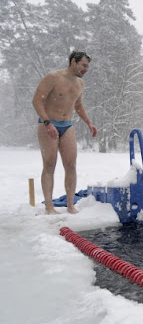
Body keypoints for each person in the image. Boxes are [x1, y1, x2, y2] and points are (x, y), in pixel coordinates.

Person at [32, 51, 97, 214]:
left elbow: (78, 106)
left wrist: (89, 122)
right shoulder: (54, 77)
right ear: (73, 62)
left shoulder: (80, 84)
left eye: (88, 66)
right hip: (48, 123)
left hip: (67, 125)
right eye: (83, 65)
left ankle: (70, 206)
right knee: (49, 164)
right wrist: (47, 122)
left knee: (71, 165)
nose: (86, 69)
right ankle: (49, 207)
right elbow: (37, 100)